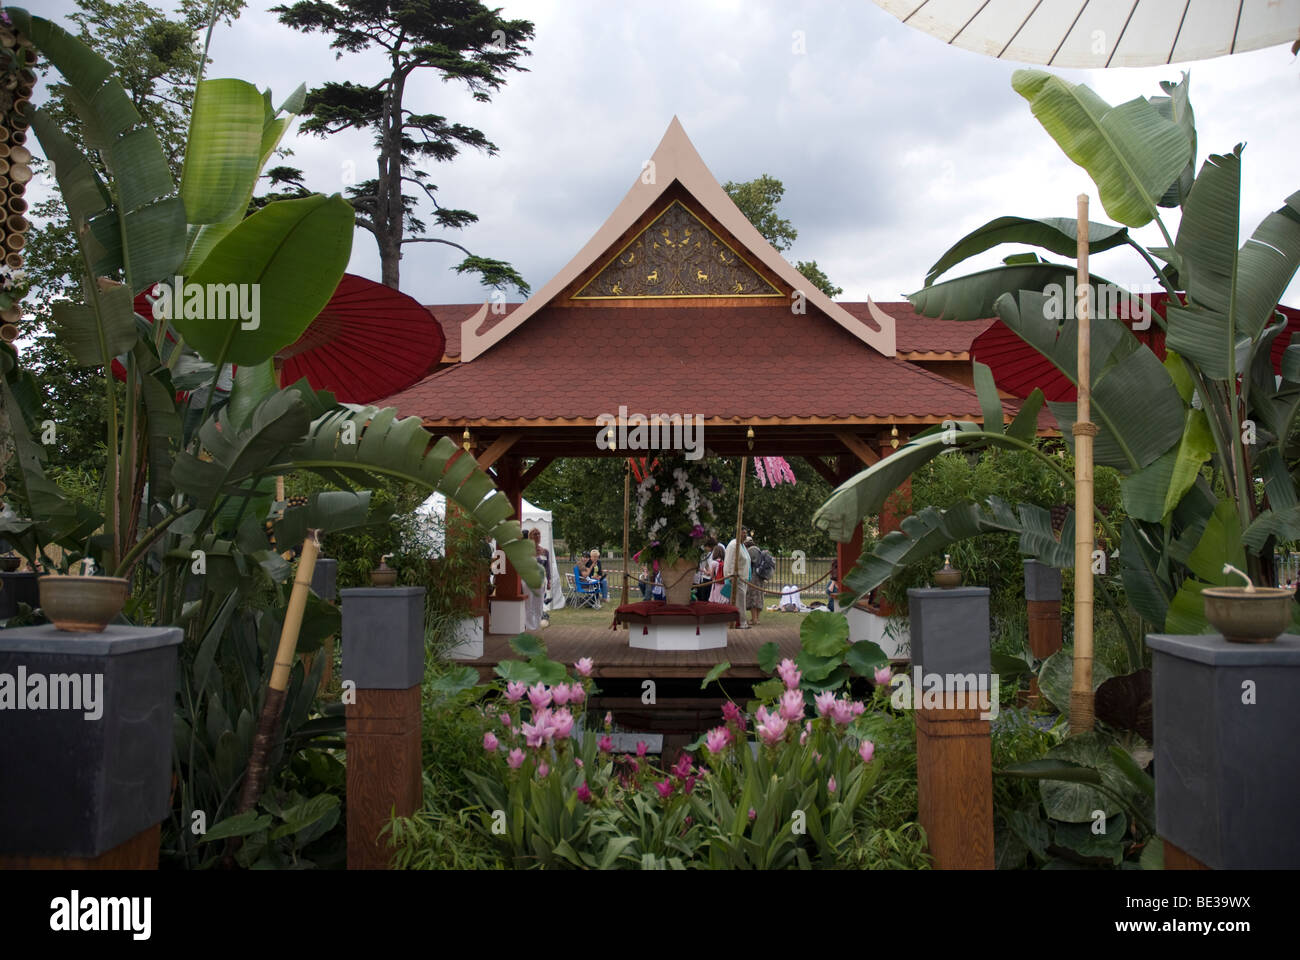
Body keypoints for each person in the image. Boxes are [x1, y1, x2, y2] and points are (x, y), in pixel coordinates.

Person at [523, 530, 549, 631]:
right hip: (528, 580)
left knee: (539, 604)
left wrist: (549, 581)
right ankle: (529, 627)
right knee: (529, 604)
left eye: (539, 534)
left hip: (541, 581)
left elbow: (547, 568)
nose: (537, 536)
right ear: (530, 537)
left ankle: (538, 625)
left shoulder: (544, 551)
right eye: (535, 534)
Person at [724, 533, 751, 627]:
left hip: (744, 578)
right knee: (739, 601)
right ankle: (740, 622)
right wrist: (730, 576)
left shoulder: (742, 545)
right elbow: (729, 561)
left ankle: (741, 622)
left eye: (745, 534)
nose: (744, 535)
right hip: (736, 578)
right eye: (742, 533)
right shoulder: (733, 545)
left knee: (742, 601)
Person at [746, 536, 770, 627]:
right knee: (759, 596)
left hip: (754, 577)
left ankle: (754, 619)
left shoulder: (750, 551)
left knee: (753, 597)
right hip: (760, 577)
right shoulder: (758, 550)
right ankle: (756, 618)